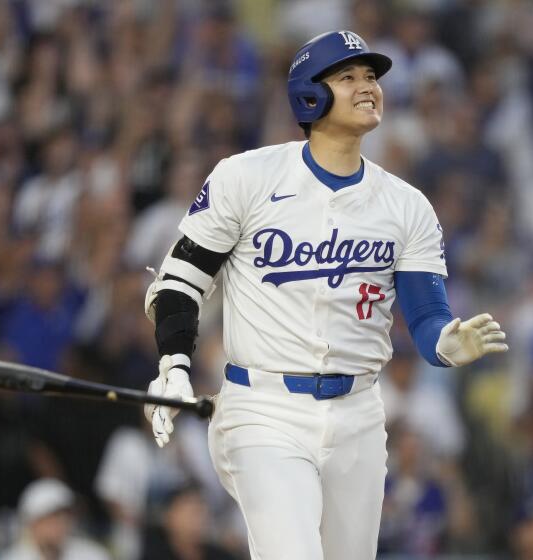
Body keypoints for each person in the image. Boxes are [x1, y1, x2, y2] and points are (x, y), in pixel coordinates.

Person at [142, 30, 508, 559]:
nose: (368, 87)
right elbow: (180, 280)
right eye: (348, 77)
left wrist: (448, 343)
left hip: (359, 413)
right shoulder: (245, 177)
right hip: (263, 407)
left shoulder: (407, 206)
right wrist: (174, 363)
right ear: (309, 94)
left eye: (371, 77)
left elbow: (428, 319)